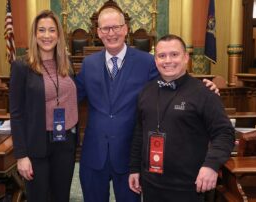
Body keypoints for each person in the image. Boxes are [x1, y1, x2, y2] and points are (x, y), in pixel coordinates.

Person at [75, 7, 218, 202]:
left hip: (129, 158)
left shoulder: (148, 61)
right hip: (93, 156)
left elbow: (174, 79)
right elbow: (71, 95)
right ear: (98, 32)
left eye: (116, 27)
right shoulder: (88, 63)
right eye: (106, 29)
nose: (111, 33)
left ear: (126, 29)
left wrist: (204, 87)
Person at [128, 34, 235, 202]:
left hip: (189, 187)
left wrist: (211, 165)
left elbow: (225, 133)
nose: (167, 60)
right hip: (151, 185)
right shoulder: (146, 92)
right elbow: (139, 134)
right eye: (161, 56)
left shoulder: (204, 93)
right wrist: (134, 168)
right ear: (155, 60)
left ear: (186, 57)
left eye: (174, 54)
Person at [9, 10, 78, 202]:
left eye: (51, 30)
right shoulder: (21, 66)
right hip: (37, 143)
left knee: (61, 196)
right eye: (41, 30)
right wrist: (21, 155)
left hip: (65, 141)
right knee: (39, 197)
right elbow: (16, 113)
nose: (47, 35)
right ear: (34, 34)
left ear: (58, 35)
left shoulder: (67, 63)